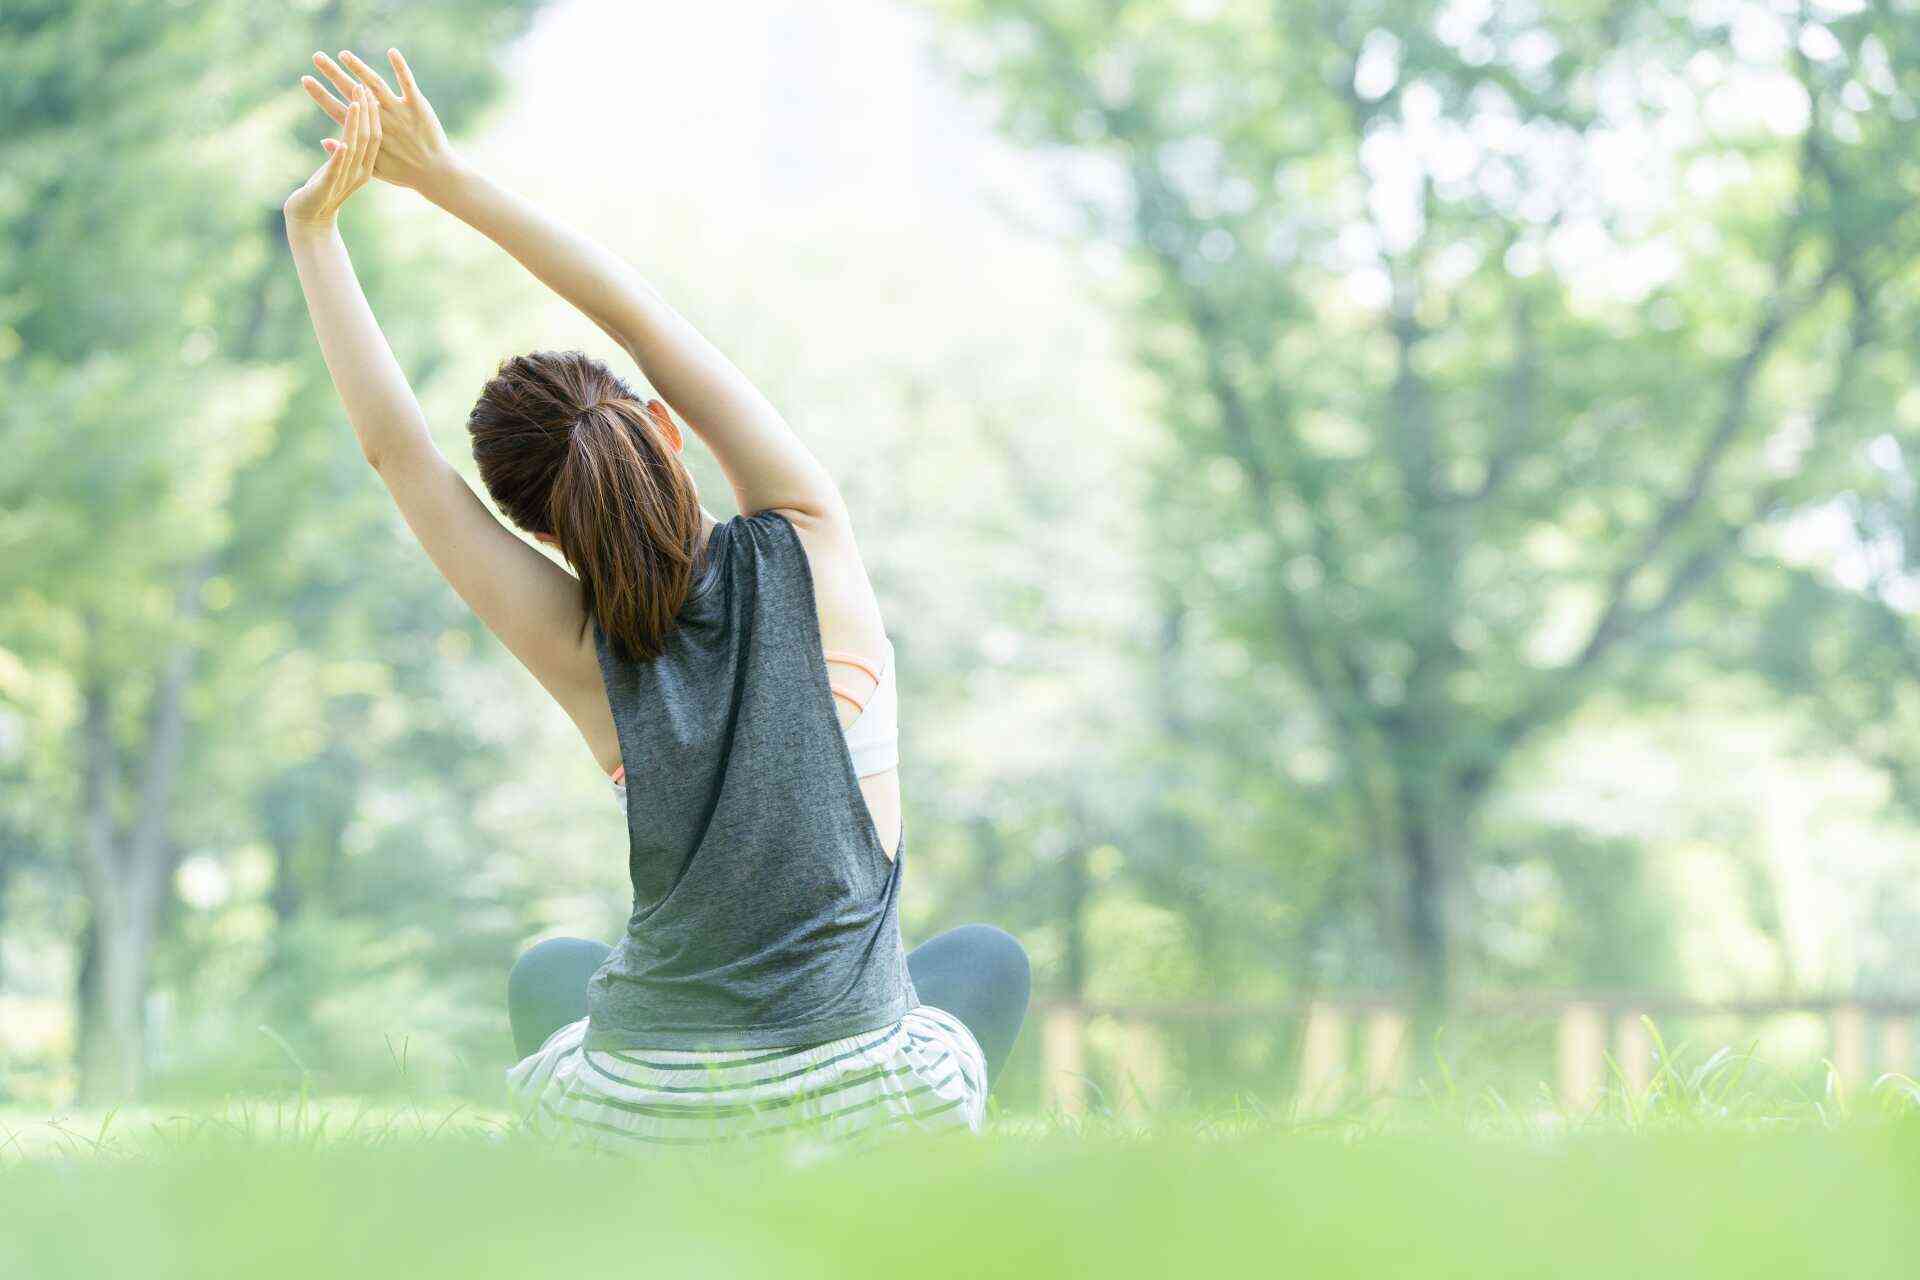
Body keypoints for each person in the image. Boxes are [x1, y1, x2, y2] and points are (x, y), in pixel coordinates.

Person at [284, 48, 1030, 1148]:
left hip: (639, 1122)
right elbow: (640, 318)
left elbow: (402, 457)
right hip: (871, 1103)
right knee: (984, 961)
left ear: (541, 530)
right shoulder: (811, 540)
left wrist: (313, 232)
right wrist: (445, 180)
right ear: (666, 432)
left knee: (553, 970)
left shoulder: (582, 648)